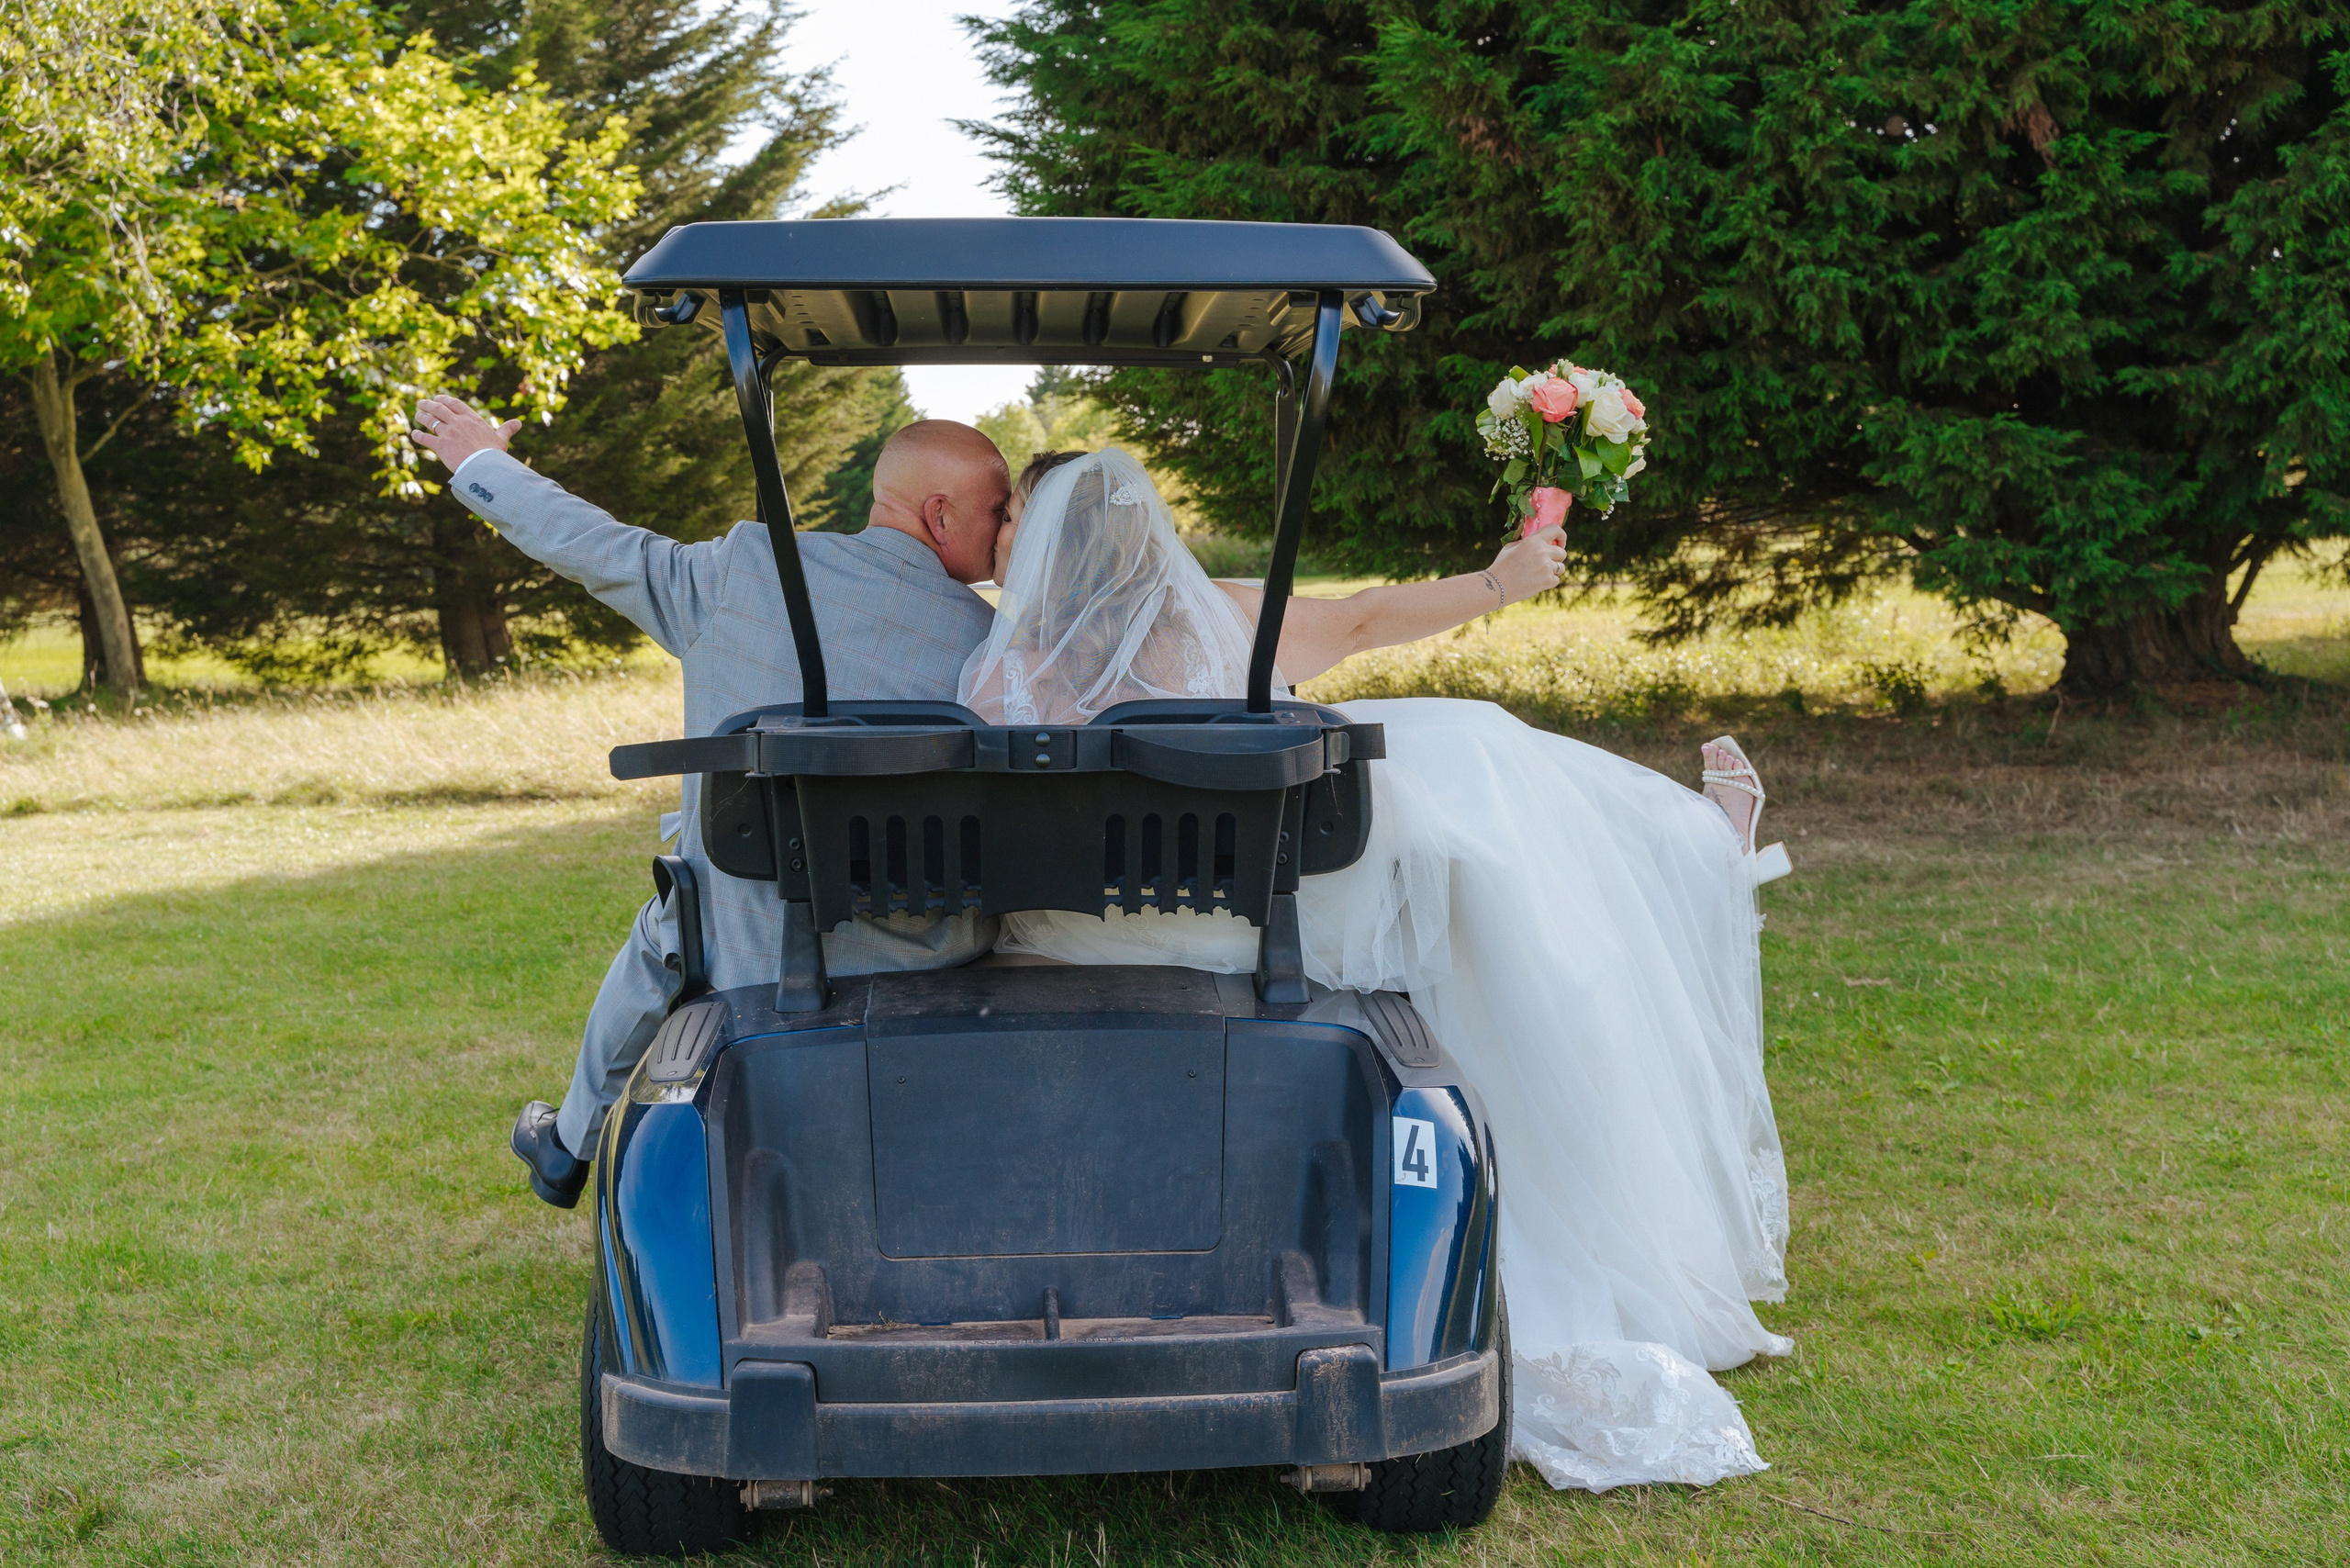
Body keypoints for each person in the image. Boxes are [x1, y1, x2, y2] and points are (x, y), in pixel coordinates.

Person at [960, 447, 1794, 1492]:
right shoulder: (1228, 619)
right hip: (1235, 924)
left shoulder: (1000, 670)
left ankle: (1694, 852)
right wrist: (1496, 582)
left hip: (1089, 938)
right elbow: (1362, 617)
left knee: (1462, 759)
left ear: (1036, 544)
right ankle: (1697, 850)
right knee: (1472, 763)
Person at [407, 395, 1012, 1207]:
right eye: (999, 509)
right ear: (940, 515)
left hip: (755, 952)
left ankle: (567, 1143)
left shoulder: (745, 576)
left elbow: (596, 548)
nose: (1010, 526)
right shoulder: (1000, 647)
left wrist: (483, 464)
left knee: (679, 900)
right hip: (939, 949)